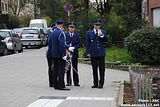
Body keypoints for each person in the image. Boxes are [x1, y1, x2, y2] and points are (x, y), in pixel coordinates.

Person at [47, 20, 70, 90]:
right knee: (61, 70)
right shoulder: (61, 33)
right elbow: (62, 45)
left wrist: (68, 47)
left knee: (55, 69)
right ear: (62, 25)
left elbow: (50, 44)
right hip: (60, 54)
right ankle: (61, 85)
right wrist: (64, 54)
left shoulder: (53, 33)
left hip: (54, 54)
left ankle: (55, 85)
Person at [85, 19, 107, 89]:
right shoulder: (89, 32)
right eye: (96, 25)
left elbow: (106, 40)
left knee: (102, 69)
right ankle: (95, 83)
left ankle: (101, 83)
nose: (98, 26)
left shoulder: (103, 31)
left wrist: (102, 36)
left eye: (99, 25)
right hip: (93, 53)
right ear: (93, 25)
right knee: (94, 69)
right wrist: (88, 52)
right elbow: (87, 43)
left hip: (101, 53)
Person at [65, 22, 82, 86]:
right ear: (69, 28)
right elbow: (63, 43)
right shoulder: (66, 35)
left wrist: (74, 47)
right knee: (68, 67)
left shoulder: (77, 35)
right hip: (68, 53)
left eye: (73, 27)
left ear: (74, 28)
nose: (71, 29)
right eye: (70, 27)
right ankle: (68, 82)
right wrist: (68, 48)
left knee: (75, 67)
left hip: (74, 53)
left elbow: (80, 44)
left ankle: (76, 82)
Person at [46, 22, 57, 88]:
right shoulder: (51, 35)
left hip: (50, 54)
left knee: (52, 68)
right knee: (52, 68)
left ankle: (52, 82)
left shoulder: (51, 34)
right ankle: (52, 82)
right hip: (51, 54)